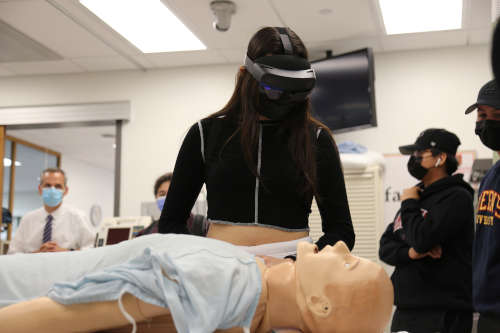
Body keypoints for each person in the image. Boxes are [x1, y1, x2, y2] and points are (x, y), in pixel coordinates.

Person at [159, 26, 354, 258]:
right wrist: (204, 259)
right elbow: (171, 222)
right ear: (246, 75)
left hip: (293, 268)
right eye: (272, 86)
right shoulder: (206, 133)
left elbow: (341, 231)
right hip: (220, 265)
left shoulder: (316, 139)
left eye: (292, 89)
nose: (282, 97)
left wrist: (297, 262)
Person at [0, 234, 393, 333]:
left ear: (320, 304)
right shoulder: (247, 285)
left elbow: (61, 314)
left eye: (350, 263)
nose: (342, 246)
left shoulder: (230, 283)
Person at [379, 128, 474, 333]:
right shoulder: (416, 195)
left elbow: (422, 239)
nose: (413, 159)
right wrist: (410, 253)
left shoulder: (456, 197)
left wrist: (410, 205)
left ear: (440, 158)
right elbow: (386, 246)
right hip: (406, 310)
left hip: (442, 313)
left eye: (419, 154)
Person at [465, 79, 500, 332]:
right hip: (487, 311)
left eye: (496, 115)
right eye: (481, 115)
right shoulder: (492, 174)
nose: (485, 123)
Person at [7, 168, 95, 254]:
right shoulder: (28, 219)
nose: (52, 190)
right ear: (40, 189)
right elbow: (13, 253)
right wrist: (36, 254)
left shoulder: (78, 217)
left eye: (58, 186)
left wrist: (67, 252)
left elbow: (92, 248)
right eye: (48, 185)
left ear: (66, 191)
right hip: (34, 267)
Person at [137, 172, 208, 237]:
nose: (167, 198)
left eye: (172, 193)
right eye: (162, 194)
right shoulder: (146, 234)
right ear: (156, 197)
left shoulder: (203, 226)